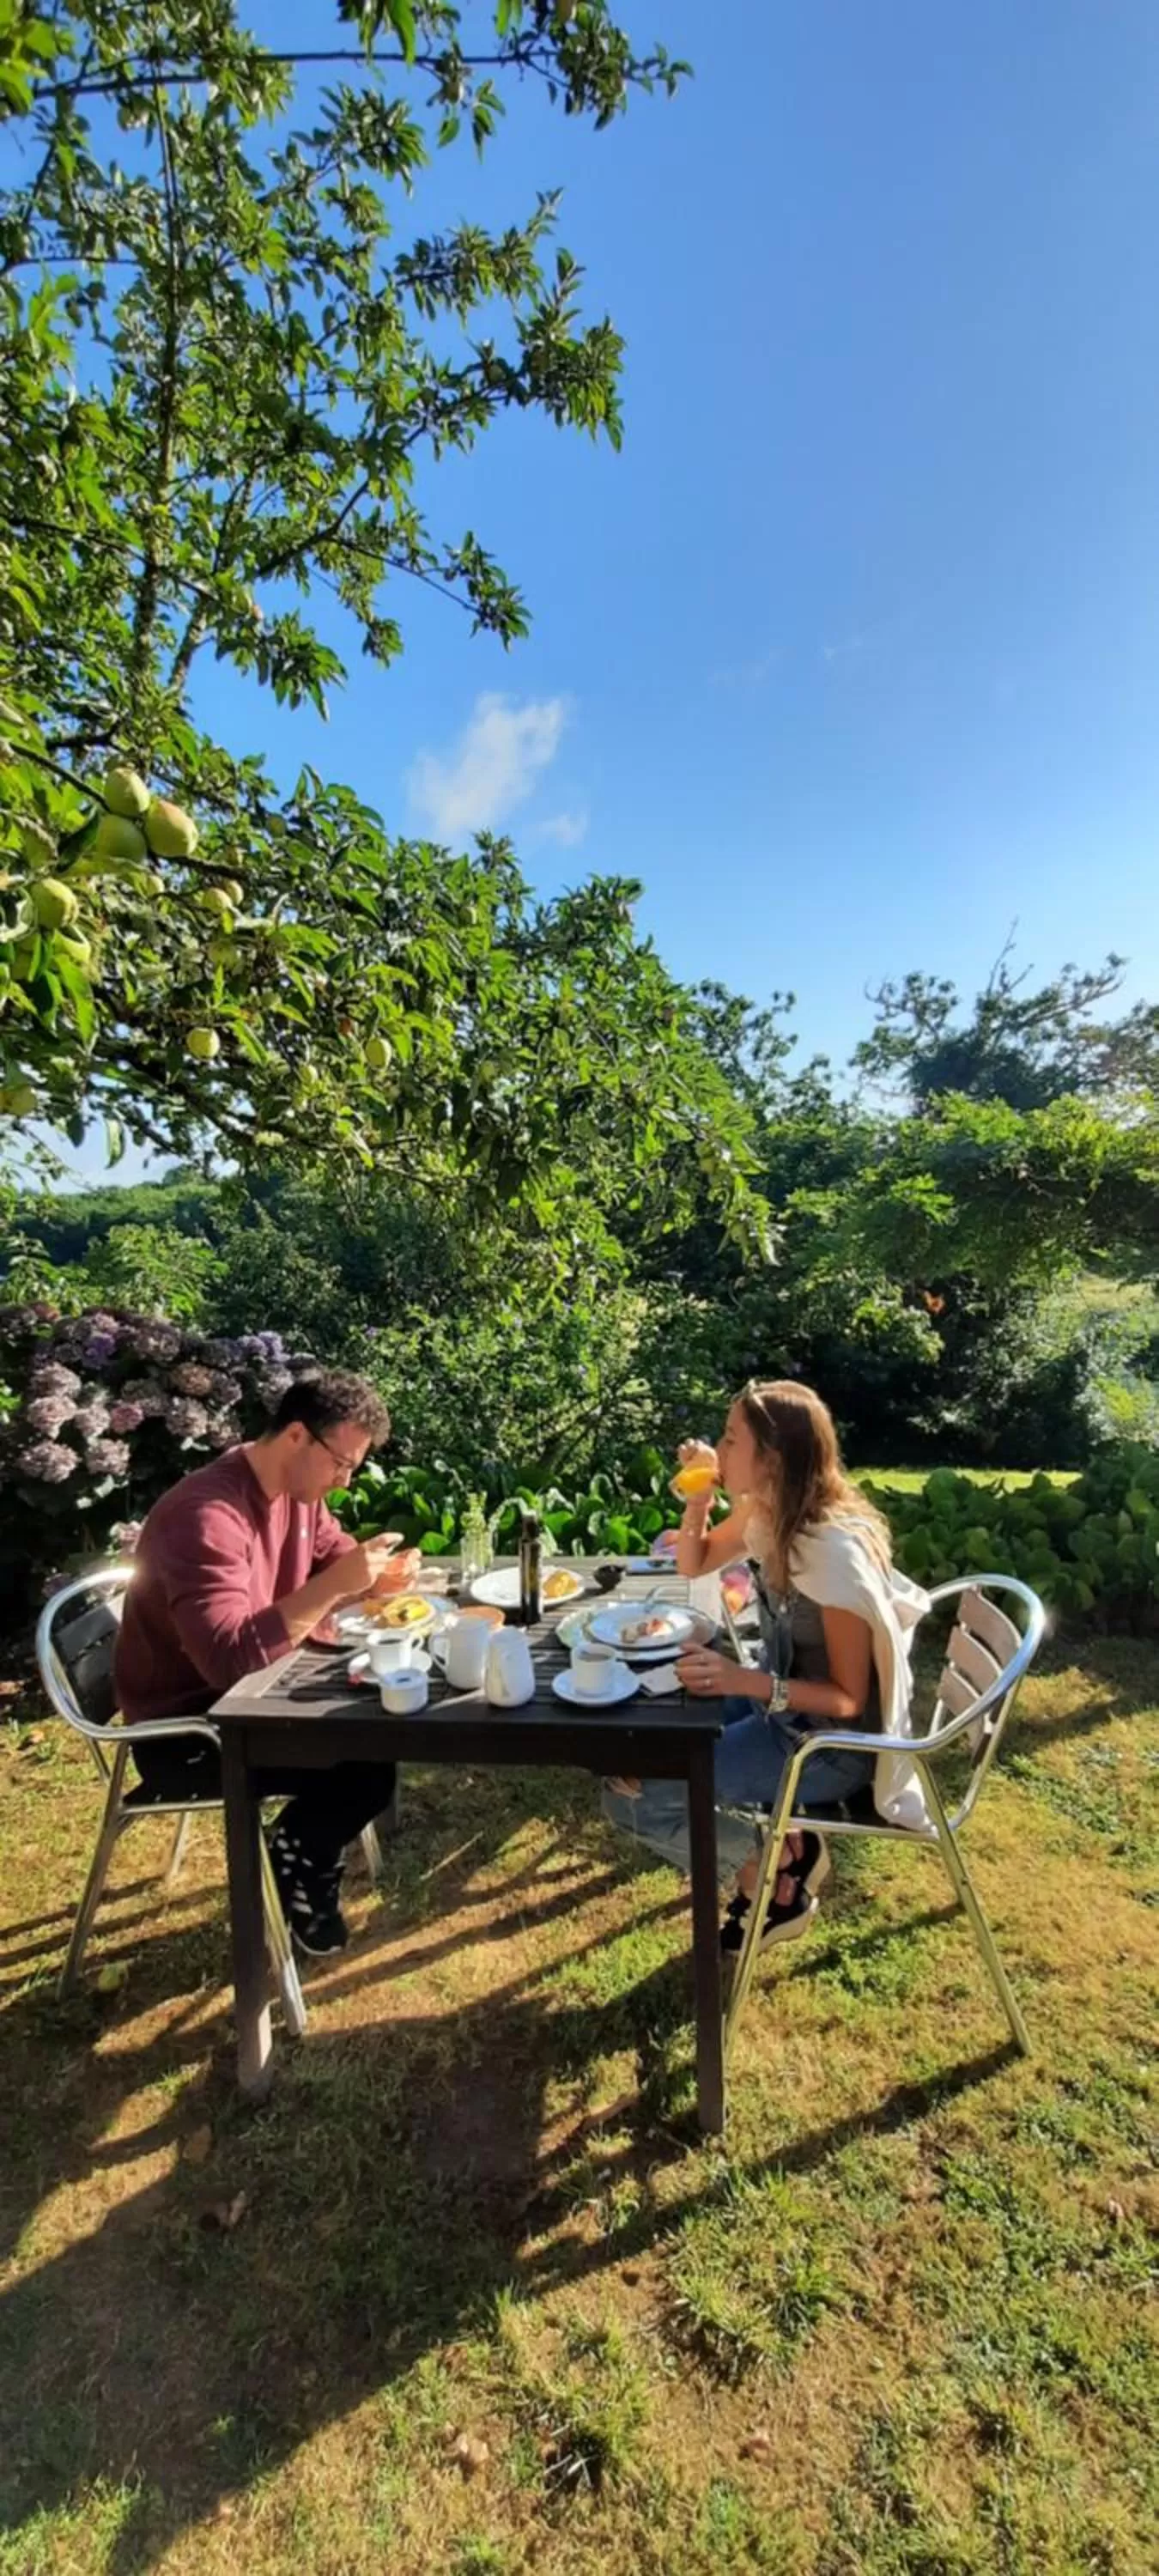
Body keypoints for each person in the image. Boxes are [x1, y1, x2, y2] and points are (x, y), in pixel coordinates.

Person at [603, 1380, 925, 1953]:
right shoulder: (773, 1513)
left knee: (635, 1797)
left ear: (771, 1460)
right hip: (782, 1716)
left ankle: (771, 1880)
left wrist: (741, 1680)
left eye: (730, 1440)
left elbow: (849, 1700)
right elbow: (695, 1562)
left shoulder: (830, 1555)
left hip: (830, 1750)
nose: (717, 1450)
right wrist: (699, 1496)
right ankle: (792, 1848)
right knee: (631, 1750)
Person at [115, 1369, 422, 1957]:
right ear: (298, 1437)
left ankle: (302, 1846)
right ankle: (296, 1857)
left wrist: (376, 1573)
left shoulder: (297, 1496)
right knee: (364, 1765)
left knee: (378, 1737)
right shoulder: (206, 1517)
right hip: (190, 1731)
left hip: (255, 1693)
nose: (345, 1481)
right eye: (342, 1463)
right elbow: (229, 1660)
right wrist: (336, 1585)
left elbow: (335, 1556)